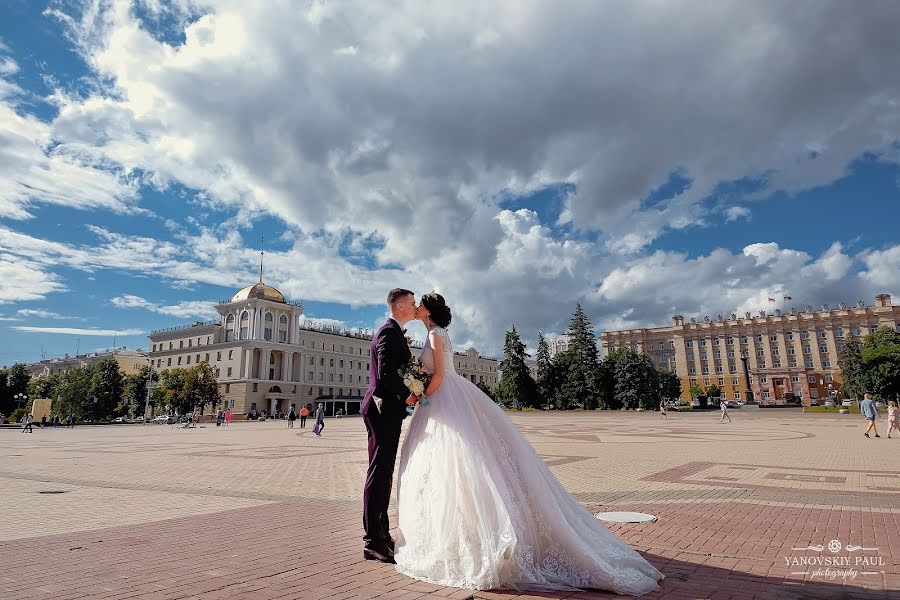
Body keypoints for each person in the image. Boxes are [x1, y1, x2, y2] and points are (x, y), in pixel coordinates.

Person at [394, 293, 663, 596]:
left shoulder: (433, 333)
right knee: (461, 466)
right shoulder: (436, 333)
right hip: (450, 398)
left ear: (428, 310)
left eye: (419, 304)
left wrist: (417, 395)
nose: (415, 308)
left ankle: (476, 539)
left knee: (461, 465)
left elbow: (440, 374)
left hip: (444, 398)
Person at [361, 288, 417, 564]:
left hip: (387, 412)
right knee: (379, 473)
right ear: (401, 305)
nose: (416, 306)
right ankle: (373, 541)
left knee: (383, 474)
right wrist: (408, 393)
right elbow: (384, 376)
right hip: (382, 411)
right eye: (413, 302)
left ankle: (381, 534)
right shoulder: (388, 333)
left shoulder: (395, 333)